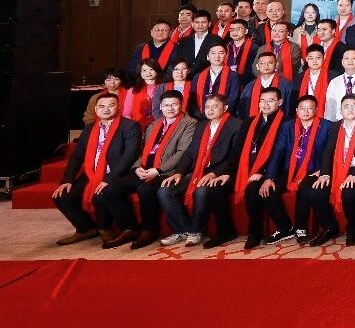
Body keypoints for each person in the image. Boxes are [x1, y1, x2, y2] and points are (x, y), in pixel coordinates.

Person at [98, 89, 198, 250]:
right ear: (160, 106)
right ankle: (131, 227)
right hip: (144, 169)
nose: (170, 108)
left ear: (182, 105)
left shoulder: (190, 123)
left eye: (174, 104)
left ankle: (149, 230)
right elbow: (142, 151)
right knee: (110, 191)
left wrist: (158, 170)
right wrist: (137, 167)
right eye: (166, 105)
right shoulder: (154, 125)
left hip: (168, 172)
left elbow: (183, 153)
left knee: (145, 189)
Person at [157, 94, 245, 249]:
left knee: (202, 191)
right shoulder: (202, 125)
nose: (210, 110)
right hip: (198, 170)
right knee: (164, 191)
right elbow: (191, 152)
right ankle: (182, 230)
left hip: (223, 172)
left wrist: (214, 173)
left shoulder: (236, 125)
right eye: (207, 107)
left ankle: (196, 231)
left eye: (215, 106)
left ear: (225, 108)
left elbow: (235, 155)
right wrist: (179, 172)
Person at [53, 93, 141, 246]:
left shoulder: (129, 126)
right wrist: (67, 180)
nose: (106, 109)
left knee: (101, 192)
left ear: (118, 107)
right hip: (92, 173)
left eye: (111, 105)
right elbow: (77, 156)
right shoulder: (89, 129)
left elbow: (130, 155)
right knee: (62, 197)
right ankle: (86, 228)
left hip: (119, 173)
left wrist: (110, 179)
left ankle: (110, 227)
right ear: (95, 109)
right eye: (101, 106)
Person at [308, 93, 355, 247]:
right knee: (317, 191)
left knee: (349, 193)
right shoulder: (335, 126)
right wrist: (325, 173)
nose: (350, 109)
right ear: (340, 110)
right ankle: (329, 227)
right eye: (346, 106)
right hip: (337, 166)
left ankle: (353, 228)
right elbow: (328, 151)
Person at [234, 87, 294, 249]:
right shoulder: (250, 122)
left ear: (280, 102)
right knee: (252, 187)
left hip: (279, 170)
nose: (266, 104)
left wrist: (263, 172)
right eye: (263, 101)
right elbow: (239, 149)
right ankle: (259, 232)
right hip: (249, 169)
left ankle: (257, 232)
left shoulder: (287, 122)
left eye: (271, 100)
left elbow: (282, 153)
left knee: (255, 189)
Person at [280, 95, 333, 245]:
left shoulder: (327, 126)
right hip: (291, 169)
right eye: (302, 108)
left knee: (304, 189)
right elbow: (279, 150)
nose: (306, 111)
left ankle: (300, 228)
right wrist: (270, 176)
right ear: (297, 110)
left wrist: (323, 170)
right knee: (268, 189)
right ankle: (284, 228)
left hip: (314, 170)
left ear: (316, 110)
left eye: (310, 108)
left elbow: (330, 151)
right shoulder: (288, 126)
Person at [321, 49, 355, 122]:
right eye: (347, 58)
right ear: (342, 62)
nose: (350, 61)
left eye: (354, 58)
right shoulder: (334, 82)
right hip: (338, 123)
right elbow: (330, 108)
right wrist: (329, 125)